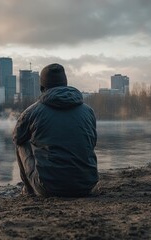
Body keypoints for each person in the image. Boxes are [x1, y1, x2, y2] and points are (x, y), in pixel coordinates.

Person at [13, 63, 98, 197]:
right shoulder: (88, 111)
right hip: (86, 185)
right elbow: (92, 143)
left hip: (48, 188)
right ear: (66, 84)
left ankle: (29, 190)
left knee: (21, 142)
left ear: (42, 88)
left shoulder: (32, 112)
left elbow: (17, 138)